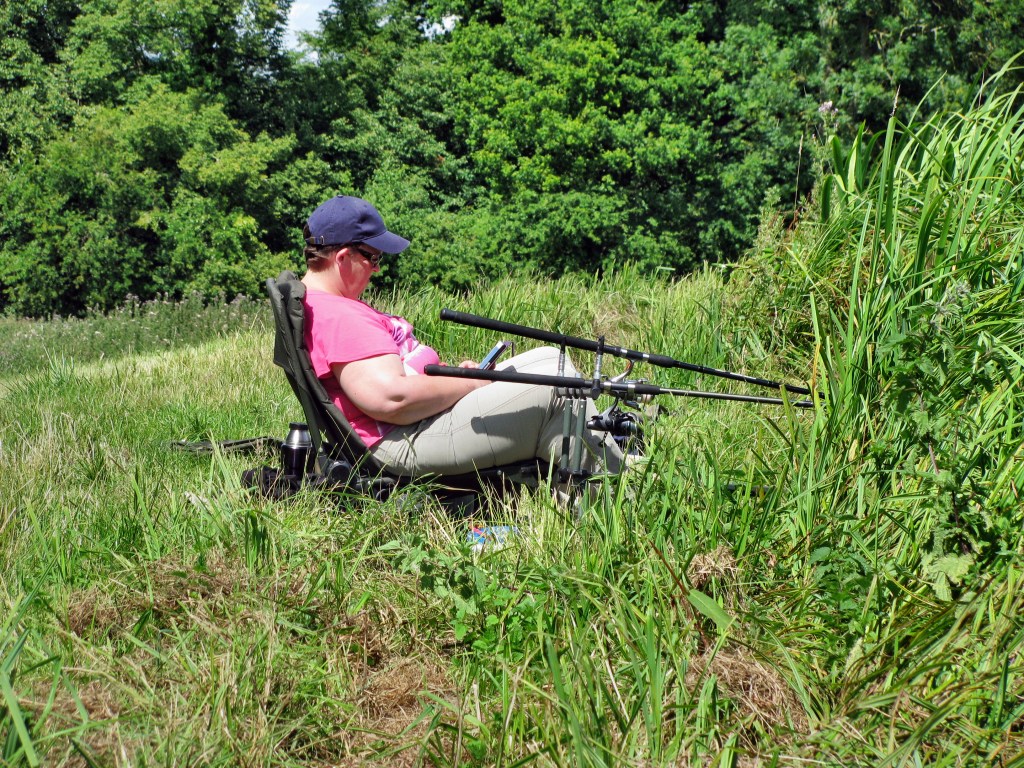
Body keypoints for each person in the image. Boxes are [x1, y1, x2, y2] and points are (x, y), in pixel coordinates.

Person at [299, 195, 623, 482]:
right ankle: (608, 505)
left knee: (549, 359)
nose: (377, 269)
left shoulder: (323, 304)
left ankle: (590, 476)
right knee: (559, 389)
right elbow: (392, 399)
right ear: (342, 258)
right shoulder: (340, 316)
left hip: (410, 426)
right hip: (401, 442)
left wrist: (456, 377)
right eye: (373, 257)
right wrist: (472, 384)